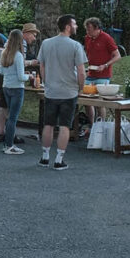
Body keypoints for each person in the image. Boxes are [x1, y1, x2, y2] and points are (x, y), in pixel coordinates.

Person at [37, 14, 87, 169]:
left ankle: (45, 157)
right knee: (65, 126)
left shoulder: (46, 43)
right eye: (75, 24)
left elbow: (42, 66)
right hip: (69, 91)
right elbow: (81, 71)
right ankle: (59, 159)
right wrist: (81, 87)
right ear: (67, 27)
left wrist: (46, 83)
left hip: (51, 91)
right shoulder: (75, 46)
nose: (77, 26)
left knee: (48, 124)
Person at [82, 17, 122, 130]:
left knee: (100, 102)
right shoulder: (87, 38)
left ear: (97, 28)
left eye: (89, 28)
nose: (87, 31)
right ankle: (91, 125)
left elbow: (118, 55)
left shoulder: (106, 38)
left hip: (103, 75)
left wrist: (105, 65)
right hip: (91, 73)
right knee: (87, 101)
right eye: (86, 28)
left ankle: (101, 126)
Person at [0, 29, 31, 155]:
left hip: (6, 86)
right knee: (13, 117)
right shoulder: (18, 55)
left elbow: (1, 72)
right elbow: (21, 77)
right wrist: (30, 77)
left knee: (9, 116)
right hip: (17, 88)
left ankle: (6, 142)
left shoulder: (4, 53)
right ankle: (9, 145)